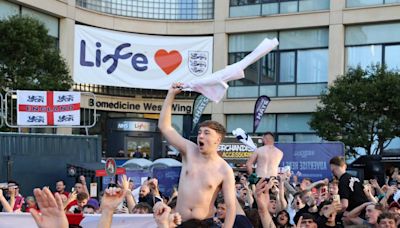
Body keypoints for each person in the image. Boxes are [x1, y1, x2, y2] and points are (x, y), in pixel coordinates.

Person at [158, 82, 236, 227]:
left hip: (204, 224)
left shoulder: (224, 169)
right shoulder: (189, 150)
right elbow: (165, 127)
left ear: (217, 139)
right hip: (180, 222)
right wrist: (170, 95)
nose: (200, 136)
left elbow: (231, 206)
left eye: (207, 133)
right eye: (200, 132)